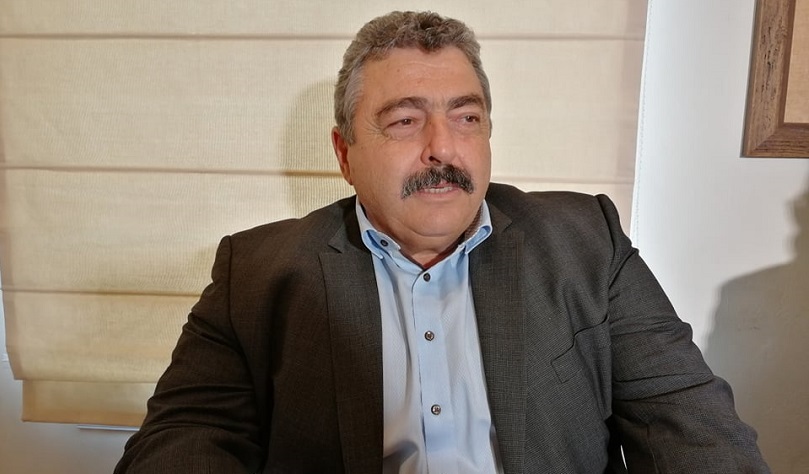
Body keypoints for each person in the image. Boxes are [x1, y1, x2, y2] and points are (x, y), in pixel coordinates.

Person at [115, 10, 769, 473]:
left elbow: (685, 419)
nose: (443, 148)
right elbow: (187, 435)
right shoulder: (259, 271)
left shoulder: (585, 242)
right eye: (405, 121)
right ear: (344, 154)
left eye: (466, 117)